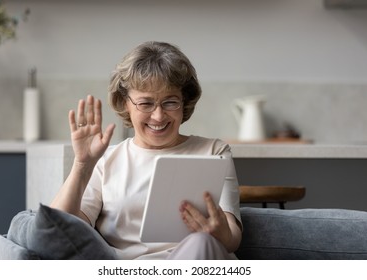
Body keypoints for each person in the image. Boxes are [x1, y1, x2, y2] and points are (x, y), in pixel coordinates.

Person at [51, 41, 243, 260]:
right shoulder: (106, 160)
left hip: (202, 260)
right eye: (146, 103)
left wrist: (220, 233)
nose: (159, 116)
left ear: (184, 102)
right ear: (125, 103)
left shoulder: (214, 150)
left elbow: (233, 237)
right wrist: (82, 164)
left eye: (170, 102)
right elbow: (58, 231)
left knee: (201, 241)